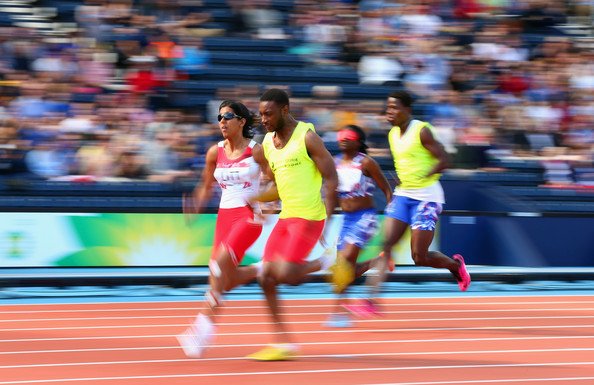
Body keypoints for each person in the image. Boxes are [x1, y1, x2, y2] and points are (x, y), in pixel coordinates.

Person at [344, 90, 471, 318]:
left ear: (407, 110)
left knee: (419, 257)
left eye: (394, 107)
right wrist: (403, 181)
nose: (389, 112)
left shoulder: (421, 130)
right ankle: (370, 300)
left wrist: (424, 175)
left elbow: (444, 160)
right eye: (388, 107)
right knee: (386, 245)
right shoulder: (393, 134)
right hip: (403, 195)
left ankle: (455, 266)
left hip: (427, 197)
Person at [247, 88, 339, 361]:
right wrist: (255, 198)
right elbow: (278, 187)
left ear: (285, 110)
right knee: (265, 276)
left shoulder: (307, 137)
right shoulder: (267, 144)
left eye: (268, 114)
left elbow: (332, 178)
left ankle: (326, 262)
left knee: (287, 273)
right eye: (261, 114)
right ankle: (282, 342)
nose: (263, 119)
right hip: (287, 217)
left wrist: (329, 217)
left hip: (310, 216)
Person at [176, 100, 268, 358]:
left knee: (219, 266)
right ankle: (261, 269)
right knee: (221, 277)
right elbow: (206, 185)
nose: (222, 122)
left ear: (242, 121)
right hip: (224, 217)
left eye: (228, 116)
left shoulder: (256, 151)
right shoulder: (214, 152)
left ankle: (203, 327)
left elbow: (274, 180)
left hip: (249, 216)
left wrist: (264, 201)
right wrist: (196, 205)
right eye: (219, 117)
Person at [325, 124, 393, 328]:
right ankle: (374, 263)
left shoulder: (366, 162)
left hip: (365, 217)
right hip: (346, 219)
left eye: (349, 135)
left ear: (358, 141)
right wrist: (327, 221)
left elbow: (387, 190)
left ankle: (338, 310)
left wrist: (391, 216)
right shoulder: (334, 163)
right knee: (342, 269)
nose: (343, 138)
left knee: (345, 260)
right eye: (340, 135)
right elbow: (330, 195)